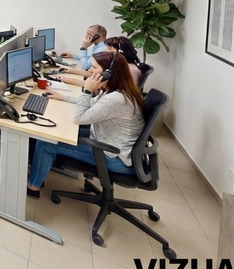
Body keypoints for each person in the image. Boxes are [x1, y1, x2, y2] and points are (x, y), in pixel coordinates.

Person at [26, 51, 145, 198]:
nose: (89, 70)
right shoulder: (117, 90)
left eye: (94, 68)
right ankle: (39, 172)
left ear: (108, 74)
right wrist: (62, 97)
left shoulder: (116, 99)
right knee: (54, 131)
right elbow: (91, 103)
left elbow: (78, 118)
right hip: (107, 141)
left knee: (46, 142)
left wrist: (88, 90)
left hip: (113, 157)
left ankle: (33, 186)